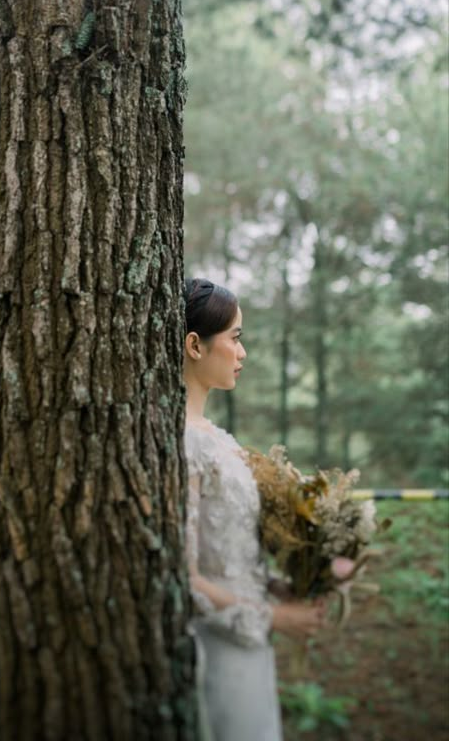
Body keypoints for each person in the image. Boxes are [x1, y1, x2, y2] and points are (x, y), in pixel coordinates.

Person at [183, 278, 326, 741]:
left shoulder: (218, 438)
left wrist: (284, 585)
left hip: (250, 644)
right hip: (216, 647)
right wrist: (275, 617)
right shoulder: (183, 444)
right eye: (236, 338)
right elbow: (185, 579)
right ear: (194, 345)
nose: (243, 353)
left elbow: (233, 549)